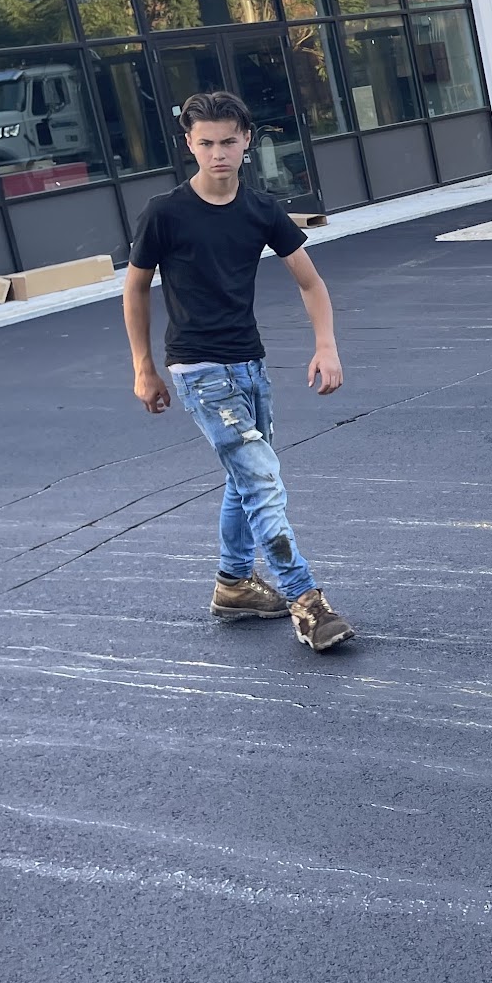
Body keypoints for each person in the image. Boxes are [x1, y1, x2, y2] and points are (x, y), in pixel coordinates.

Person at [123, 91, 354, 652]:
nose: (218, 153)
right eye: (206, 143)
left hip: (249, 363)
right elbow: (135, 289)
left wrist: (326, 346)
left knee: (243, 478)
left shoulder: (260, 210)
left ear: (247, 141)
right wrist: (143, 367)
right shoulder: (165, 212)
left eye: (228, 141)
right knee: (261, 480)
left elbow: (311, 282)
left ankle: (234, 585)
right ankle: (306, 601)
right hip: (198, 370)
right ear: (189, 144)